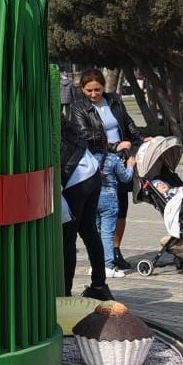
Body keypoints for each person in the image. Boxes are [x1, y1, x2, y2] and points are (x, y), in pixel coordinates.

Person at [69, 69, 144, 271]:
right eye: (89, 90)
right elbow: (84, 135)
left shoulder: (114, 101)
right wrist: (113, 147)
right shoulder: (78, 108)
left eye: (98, 89)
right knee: (99, 211)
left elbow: (127, 124)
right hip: (97, 163)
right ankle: (101, 257)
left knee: (120, 208)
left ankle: (115, 251)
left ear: (104, 86)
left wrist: (140, 140)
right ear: (82, 89)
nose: (94, 94)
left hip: (119, 160)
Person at [61, 117, 111, 301]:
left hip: (76, 178)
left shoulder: (46, 127)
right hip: (90, 170)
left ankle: (65, 292)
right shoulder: (60, 123)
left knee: (68, 238)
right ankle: (99, 285)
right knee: (89, 230)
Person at [97, 151, 137, 280]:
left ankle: (95, 265)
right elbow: (126, 177)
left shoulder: (89, 156)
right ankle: (108, 266)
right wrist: (130, 165)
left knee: (95, 233)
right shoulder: (113, 159)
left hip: (93, 197)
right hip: (109, 198)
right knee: (107, 233)